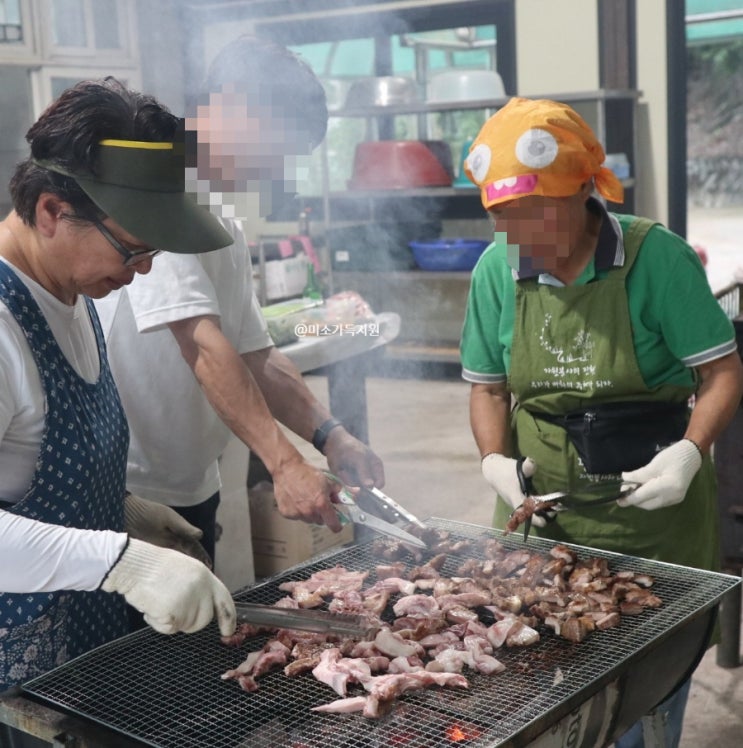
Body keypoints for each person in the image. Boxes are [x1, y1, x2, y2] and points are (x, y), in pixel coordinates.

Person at [459, 97, 743, 748]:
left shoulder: (657, 260)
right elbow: (486, 388)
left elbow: (722, 371)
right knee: (546, 691)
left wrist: (691, 451)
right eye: (506, 221)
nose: (524, 238)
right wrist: (492, 461)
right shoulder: (494, 274)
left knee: (645, 697)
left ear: (587, 193)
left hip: (654, 520)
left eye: (539, 216)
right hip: (544, 518)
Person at [94, 36, 384, 565]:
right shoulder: (164, 193)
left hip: (187, 481)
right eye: (281, 148)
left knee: (186, 639)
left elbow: (257, 354)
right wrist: (283, 463)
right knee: (138, 645)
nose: (280, 172)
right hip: (126, 488)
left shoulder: (221, 216)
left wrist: (330, 436)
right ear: (231, 107)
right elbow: (201, 345)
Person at [0, 78, 239, 704]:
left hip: (83, 649)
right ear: (52, 210)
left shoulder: (71, 292)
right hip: (18, 679)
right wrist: (123, 562)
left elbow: (29, 469)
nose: (145, 271)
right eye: (132, 249)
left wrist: (124, 511)